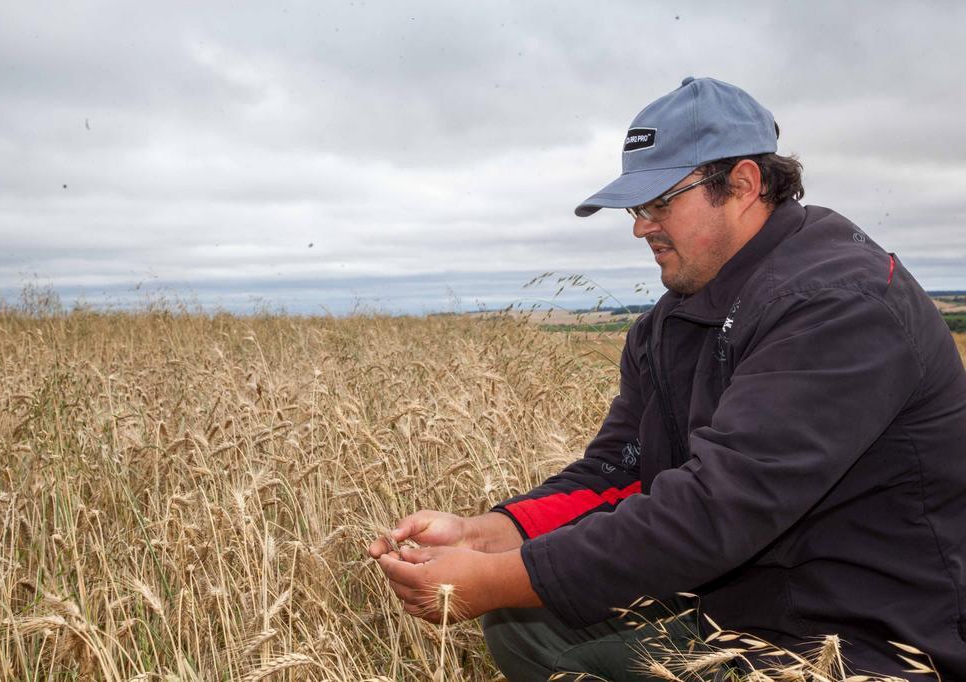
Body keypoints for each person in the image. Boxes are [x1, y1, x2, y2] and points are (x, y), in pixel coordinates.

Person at [367, 77, 966, 680]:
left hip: (873, 642)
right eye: (636, 208)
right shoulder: (671, 322)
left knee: (531, 612)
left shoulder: (839, 304)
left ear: (743, 185)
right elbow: (620, 470)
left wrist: (498, 578)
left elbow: (719, 507)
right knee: (528, 628)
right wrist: (487, 534)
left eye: (660, 203)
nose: (640, 228)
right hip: (743, 614)